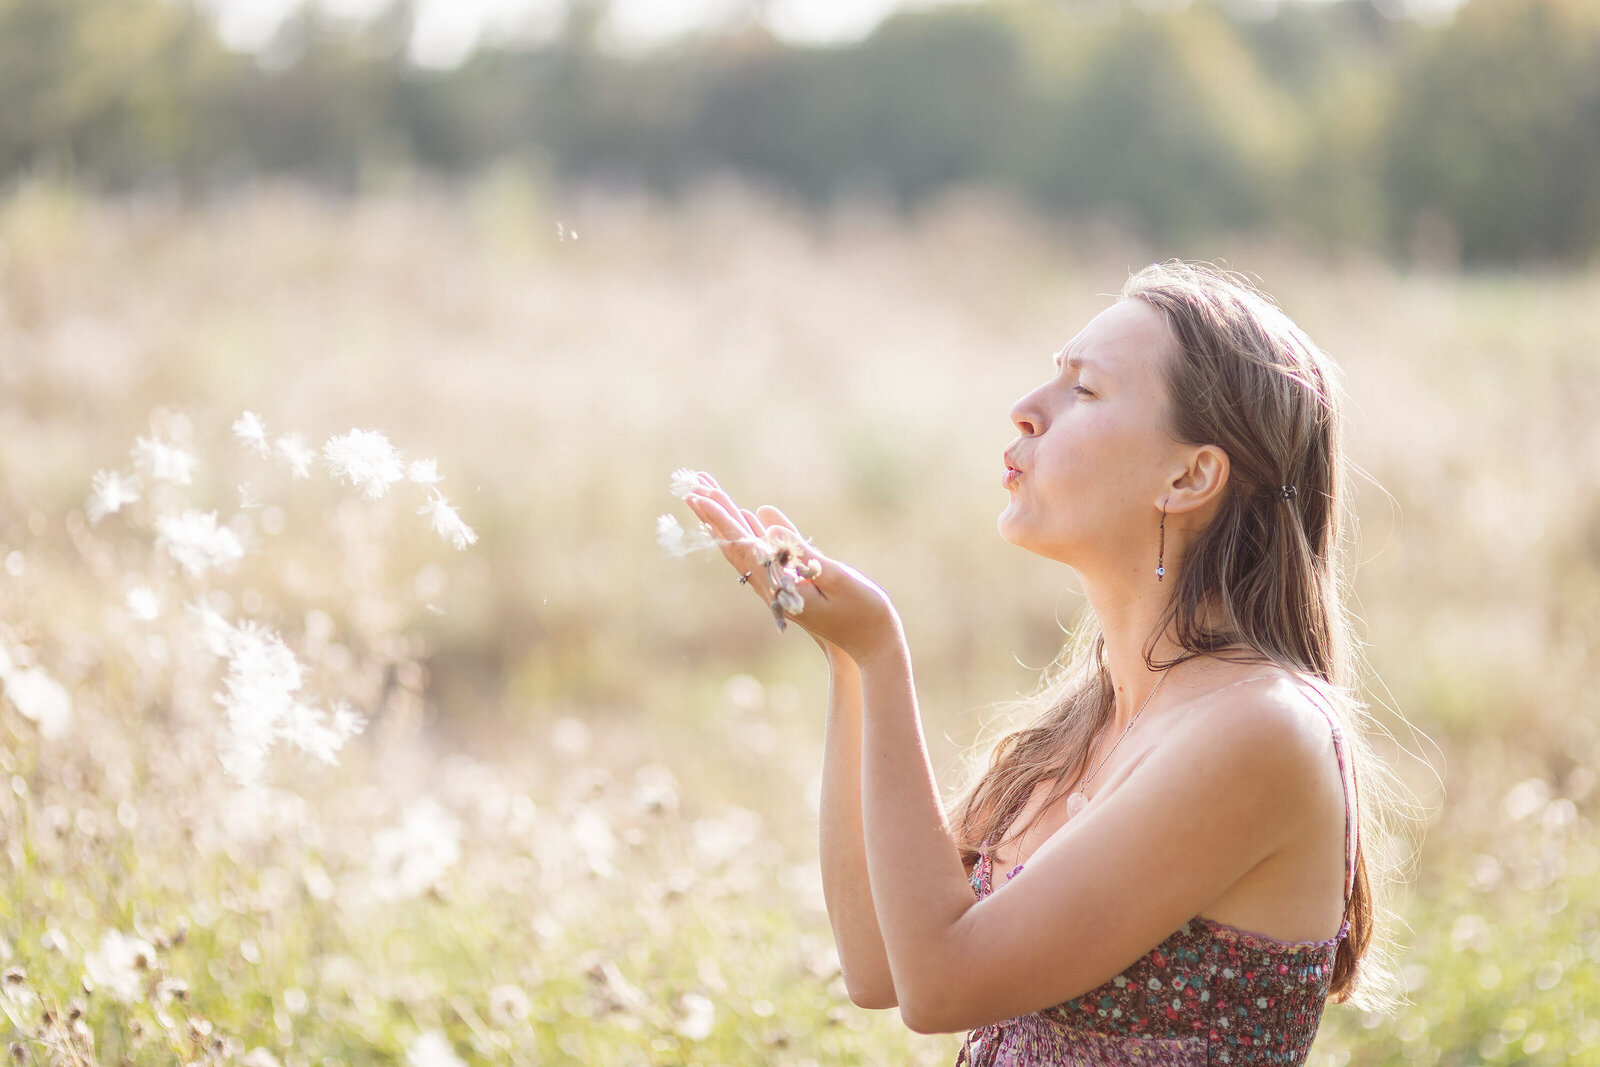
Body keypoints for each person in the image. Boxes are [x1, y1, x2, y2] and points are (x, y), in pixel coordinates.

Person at [682, 259, 1399, 1065]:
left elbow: (940, 984)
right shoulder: (1085, 722)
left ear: (1190, 474)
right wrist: (845, 658)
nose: (1026, 411)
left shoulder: (1262, 731)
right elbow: (878, 961)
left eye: (1083, 391)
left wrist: (882, 648)